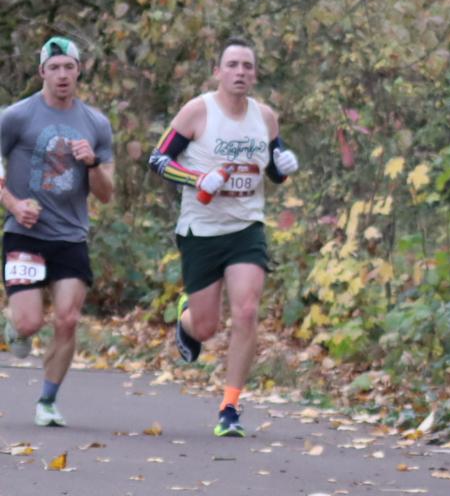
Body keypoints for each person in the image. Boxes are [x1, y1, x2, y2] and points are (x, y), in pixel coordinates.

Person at [147, 39, 299, 439]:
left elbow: (274, 171)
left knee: (246, 311)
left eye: (247, 66)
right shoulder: (198, 111)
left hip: (246, 228)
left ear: (256, 74)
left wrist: (284, 167)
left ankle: (229, 407)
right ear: (218, 72)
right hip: (201, 230)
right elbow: (158, 159)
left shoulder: (265, 117)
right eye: (232, 65)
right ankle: (187, 318)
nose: (240, 72)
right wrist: (198, 178)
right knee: (206, 327)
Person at [1, 38, 114, 427]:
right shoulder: (16, 117)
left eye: (69, 67)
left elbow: (106, 194)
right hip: (25, 233)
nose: (62, 75)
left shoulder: (96, 124)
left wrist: (92, 163)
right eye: (54, 68)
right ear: (42, 73)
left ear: (79, 70)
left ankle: (47, 402)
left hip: (70, 236)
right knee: (29, 323)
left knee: (68, 319)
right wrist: (13, 204)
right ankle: (15, 324)